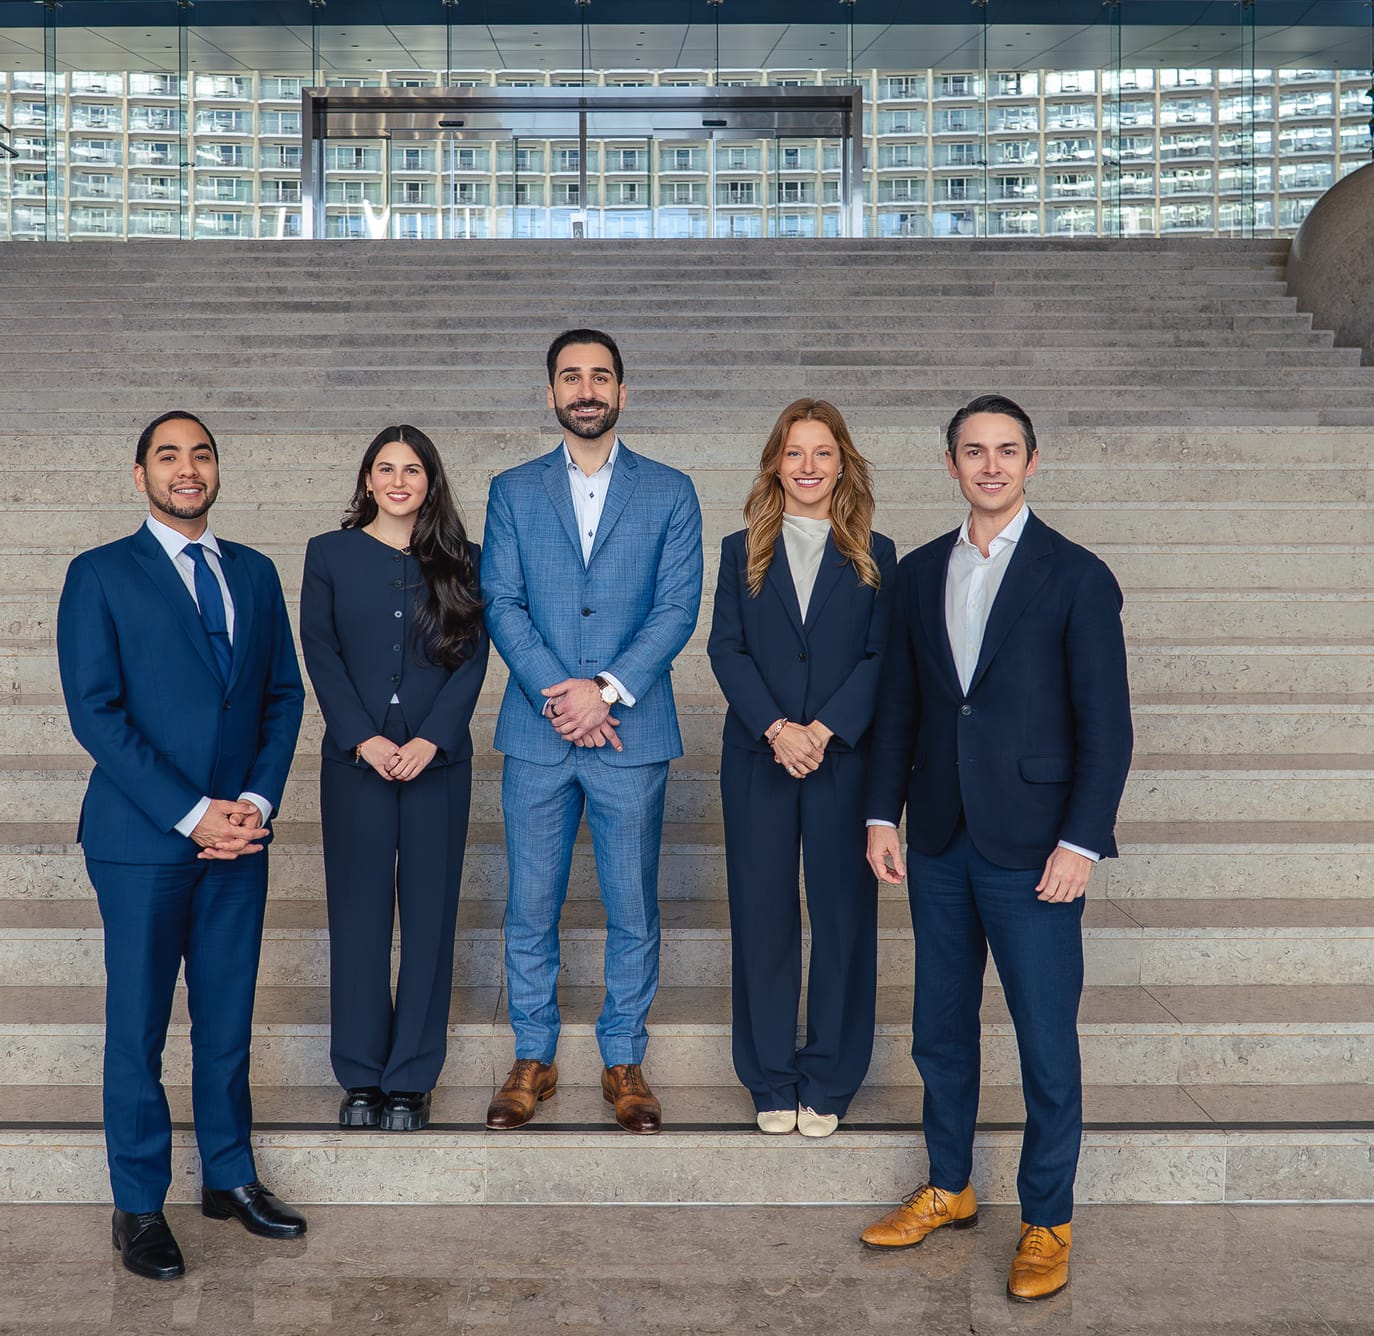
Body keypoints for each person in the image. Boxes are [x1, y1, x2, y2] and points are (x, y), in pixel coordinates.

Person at [857, 394, 1132, 1301]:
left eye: (1006, 450)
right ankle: (950, 1186)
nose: (990, 465)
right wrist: (882, 816)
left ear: (1032, 461)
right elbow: (900, 705)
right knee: (939, 1031)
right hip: (939, 838)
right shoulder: (918, 572)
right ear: (951, 465)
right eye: (973, 451)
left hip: (1036, 847)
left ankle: (1047, 1220)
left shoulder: (1077, 575)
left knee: (1046, 1041)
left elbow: (1107, 727)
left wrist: (1081, 841)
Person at [56, 409, 308, 1282]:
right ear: (141, 476)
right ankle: (137, 1205)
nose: (187, 468)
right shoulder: (99, 574)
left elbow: (282, 696)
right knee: (139, 1027)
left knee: (227, 1020)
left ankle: (229, 1176)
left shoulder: (256, 572)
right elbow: (96, 712)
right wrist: (191, 812)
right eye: (168, 456)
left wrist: (253, 803)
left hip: (240, 837)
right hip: (142, 839)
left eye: (201, 454)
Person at [479, 328, 703, 1135]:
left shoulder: (671, 491)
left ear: (621, 392)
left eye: (600, 377)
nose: (586, 390)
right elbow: (502, 601)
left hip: (629, 733)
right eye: (571, 377)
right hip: (538, 731)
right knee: (529, 905)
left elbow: (677, 606)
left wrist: (604, 692)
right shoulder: (512, 490)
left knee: (632, 905)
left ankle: (623, 1059)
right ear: (550, 394)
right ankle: (531, 1054)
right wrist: (560, 696)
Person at [707, 398, 895, 1140]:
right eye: (794, 452)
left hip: (843, 758)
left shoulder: (877, 553)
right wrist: (778, 728)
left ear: (843, 464)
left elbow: (882, 657)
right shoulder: (740, 550)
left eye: (822, 452)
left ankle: (830, 1077)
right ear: (775, 464)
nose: (808, 466)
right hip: (759, 756)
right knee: (763, 915)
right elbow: (726, 649)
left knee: (843, 917)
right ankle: (770, 1076)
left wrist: (821, 729)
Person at [300, 425, 489, 1134]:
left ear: (430, 481)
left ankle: (410, 1078)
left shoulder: (465, 559)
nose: (399, 481)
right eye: (386, 468)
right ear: (367, 479)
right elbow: (320, 650)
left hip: (439, 766)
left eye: (413, 469)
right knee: (358, 918)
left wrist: (433, 739)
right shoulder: (329, 553)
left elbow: (474, 657)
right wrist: (365, 737)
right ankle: (360, 1075)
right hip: (357, 764)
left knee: (431, 919)